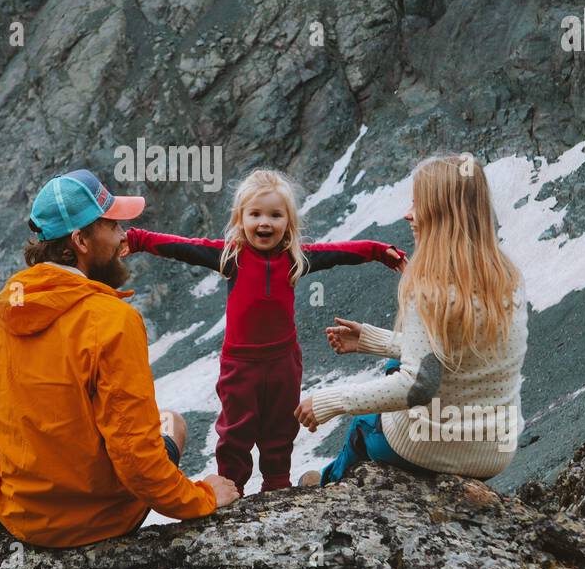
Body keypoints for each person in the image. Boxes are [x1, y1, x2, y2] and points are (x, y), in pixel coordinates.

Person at [0, 168, 239, 548]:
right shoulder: (113, 320)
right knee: (171, 421)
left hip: (22, 518)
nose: (124, 235)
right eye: (112, 226)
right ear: (80, 239)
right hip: (100, 522)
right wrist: (204, 497)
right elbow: (137, 457)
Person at [123, 168, 406, 493]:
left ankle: (277, 485)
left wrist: (377, 251)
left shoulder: (295, 258)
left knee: (281, 428)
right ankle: (231, 487)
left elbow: (340, 252)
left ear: (288, 221)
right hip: (240, 366)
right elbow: (183, 247)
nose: (265, 223)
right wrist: (138, 239)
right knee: (235, 432)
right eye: (255, 214)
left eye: (275, 215)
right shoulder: (231, 256)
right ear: (240, 218)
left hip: (284, 362)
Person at [296, 154, 528, 484]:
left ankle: (326, 484)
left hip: (429, 449)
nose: (408, 214)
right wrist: (372, 340)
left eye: (417, 204)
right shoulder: (507, 279)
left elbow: (416, 387)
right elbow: (453, 355)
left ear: (439, 214)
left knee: (369, 415)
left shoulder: (429, 287)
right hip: (494, 453)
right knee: (400, 368)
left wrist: (330, 401)